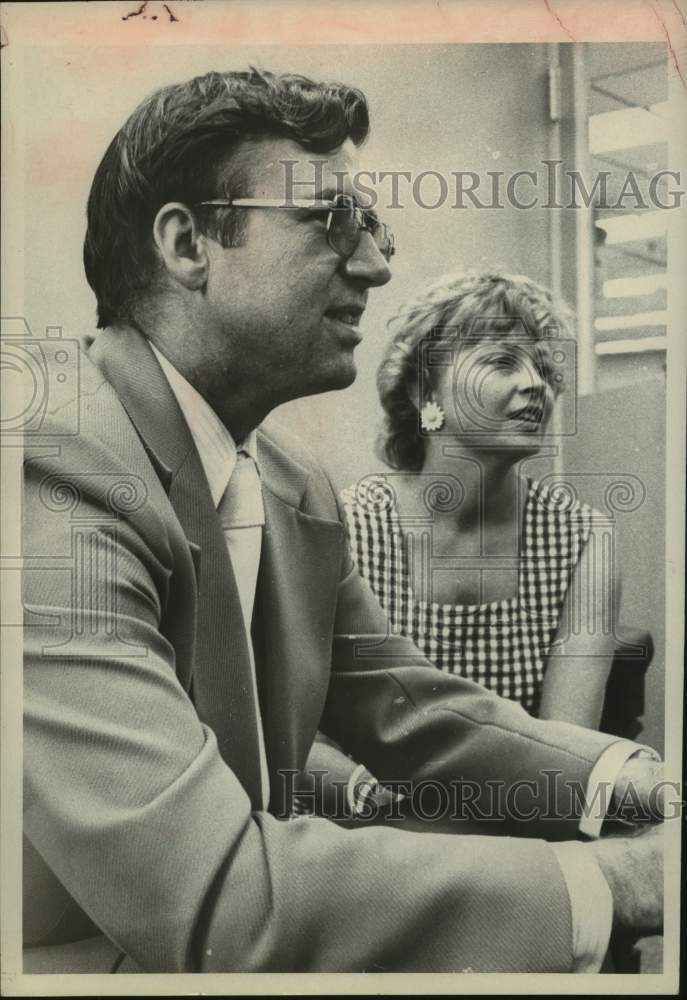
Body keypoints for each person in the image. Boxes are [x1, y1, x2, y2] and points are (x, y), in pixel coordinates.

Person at [22, 68, 665, 976]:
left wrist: (632, 782)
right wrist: (616, 883)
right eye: (330, 221)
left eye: (372, 224)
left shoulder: (293, 485)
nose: (375, 262)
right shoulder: (49, 471)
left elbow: (418, 715)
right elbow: (212, 895)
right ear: (187, 243)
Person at [342, 271, 616, 729]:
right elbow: (303, 733)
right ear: (423, 389)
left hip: (522, 797)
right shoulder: (347, 525)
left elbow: (567, 749)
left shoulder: (581, 536)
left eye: (546, 371)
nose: (537, 386)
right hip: (362, 799)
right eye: (503, 362)